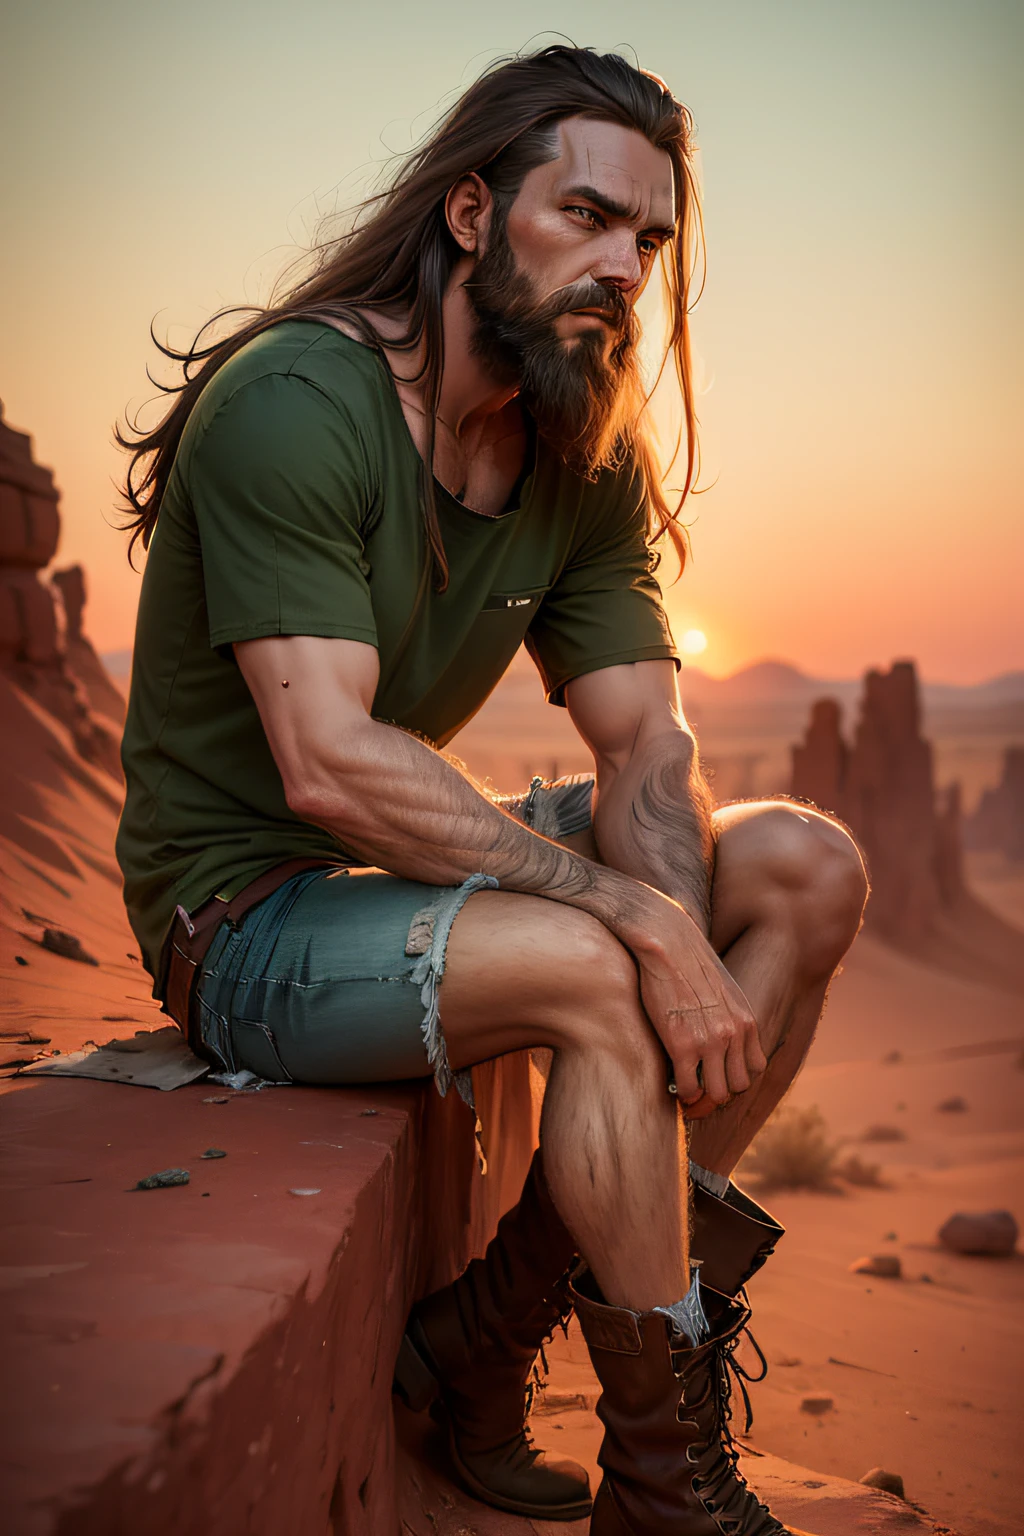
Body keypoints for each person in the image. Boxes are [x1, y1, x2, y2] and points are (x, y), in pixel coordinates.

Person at [116, 45, 868, 1535]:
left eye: (646, 241)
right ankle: (663, 1483)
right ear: (471, 213)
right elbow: (325, 760)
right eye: (584, 217)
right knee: (605, 957)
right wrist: (632, 921)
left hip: (406, 884)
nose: (622, 269)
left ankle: (489, 1334)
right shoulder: (301, 400)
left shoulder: (576, 453)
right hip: (249, 919)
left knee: (803, 868)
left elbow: (647, 744)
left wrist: (665, 903)